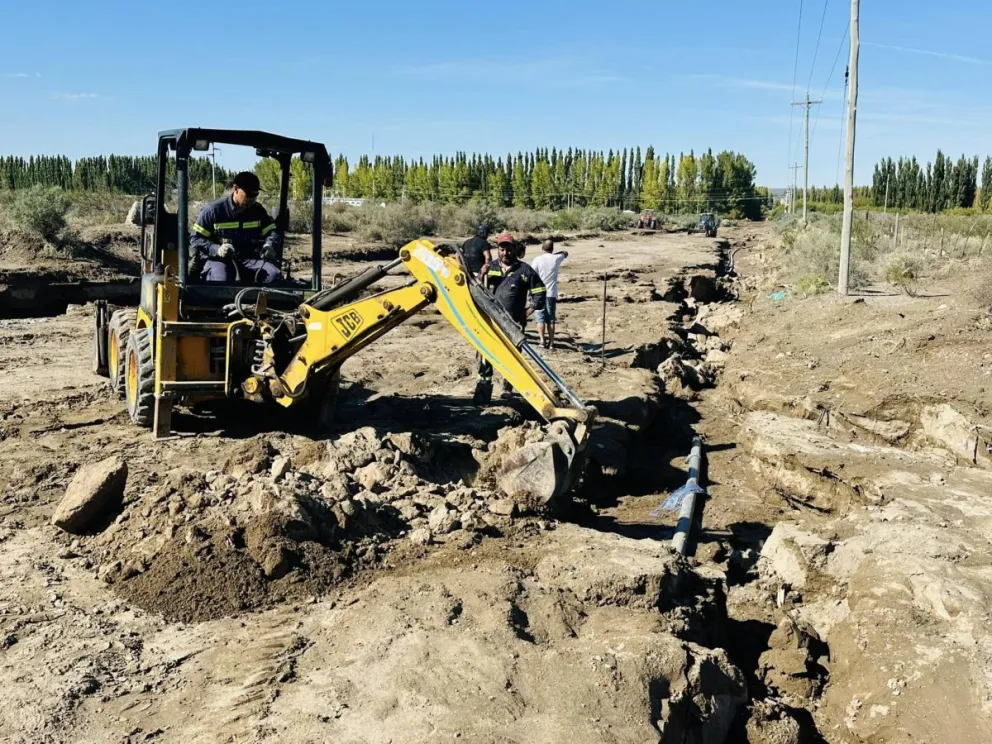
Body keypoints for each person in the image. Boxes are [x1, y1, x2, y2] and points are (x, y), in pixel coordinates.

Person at [474, 232, 547, 404]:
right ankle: (483, 390)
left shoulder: (524, 270)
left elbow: (540, 292)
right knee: (485, 356)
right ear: (497, 250)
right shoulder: (490, 268)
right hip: (490, 321)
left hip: (513, 323)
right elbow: (475, 290)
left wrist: (529, 311)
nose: (505, 253)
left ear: (514, 249)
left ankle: (507, 389)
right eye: (502, 249)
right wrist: (480, 276)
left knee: (513, 357)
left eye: (508, 249)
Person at [190, 171, 282, 284]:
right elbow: (195, 239)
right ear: (236, 188)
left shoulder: (258, 211)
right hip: (218, 260)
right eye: (248, 194)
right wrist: (217, 249)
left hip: (248, 259)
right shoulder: (213, 210)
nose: (251, 199)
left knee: (273, 274)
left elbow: (272, 231)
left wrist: (270, 244)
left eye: (255, 195)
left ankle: (257, 301)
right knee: (220, 281)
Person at [529, 239, 569, 350]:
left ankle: (542, 340)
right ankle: (551, 343)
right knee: (550, 319)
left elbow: (532, 275)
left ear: (542, 248)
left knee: (540, 318)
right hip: (551, 293)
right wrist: (555, 254)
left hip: (538, 293)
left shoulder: (537, 259)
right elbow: (565, 253)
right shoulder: (556, 258)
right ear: (552, 248)